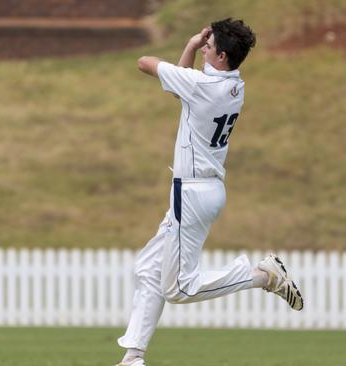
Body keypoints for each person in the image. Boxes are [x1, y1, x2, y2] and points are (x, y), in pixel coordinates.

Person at [115, 18, 304, 366]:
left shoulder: (202, 86)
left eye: (208, 44)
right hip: (202, 189)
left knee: (179, 290)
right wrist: (192, 48)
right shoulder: (232, 86)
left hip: (192, 192)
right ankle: (133, 357)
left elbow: (145, 63)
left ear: (220, 55)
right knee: (148, 269)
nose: (203, 46)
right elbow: (177, 88)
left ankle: (262, 276)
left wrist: (188, 46)